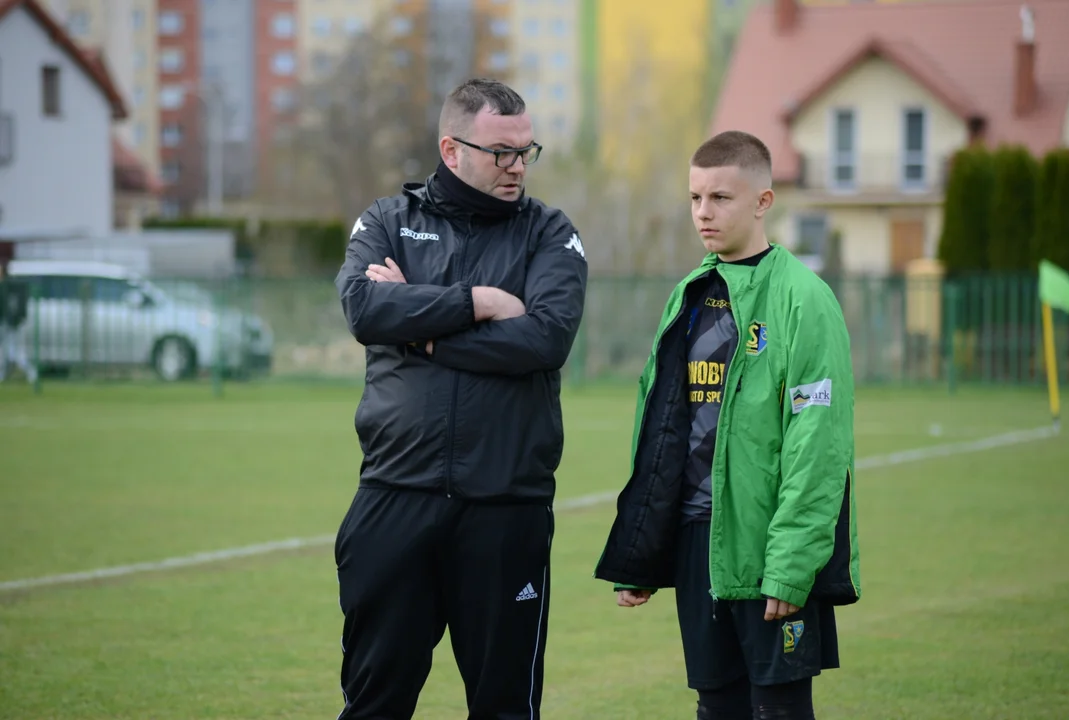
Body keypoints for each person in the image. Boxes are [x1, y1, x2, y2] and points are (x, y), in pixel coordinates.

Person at [332, 78, 588, 719]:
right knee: (374, 705)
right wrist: (477, 304)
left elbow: (544, 339)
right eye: (502, 151)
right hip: (395, 500)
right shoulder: (389, 221)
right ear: (452, 150)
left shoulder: (549, 234)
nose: (517, 168)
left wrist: (423, 339)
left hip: (506, 510)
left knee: (505, 710)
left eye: (527, 152)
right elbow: (365, 307)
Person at [594, 130, 860, 720]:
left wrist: (791, 566)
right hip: (696, 542)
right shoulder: (688, 295)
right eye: (694, 198)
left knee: (779, 710)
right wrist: (643, 552)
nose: (703, 213)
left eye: (721, 198)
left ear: (763, 202)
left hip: (768, 548)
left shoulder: (804, 300)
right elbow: (663, 432)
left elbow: (818, 448)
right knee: (716, 708)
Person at [0, 258, 38, 385]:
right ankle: (3, 375)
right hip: (5, 324)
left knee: (14, 353)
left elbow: (14, 308)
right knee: (6, 351)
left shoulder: (10, 286)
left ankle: (31, 372)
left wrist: (14, 321)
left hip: (11, 325)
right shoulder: (5, 286)